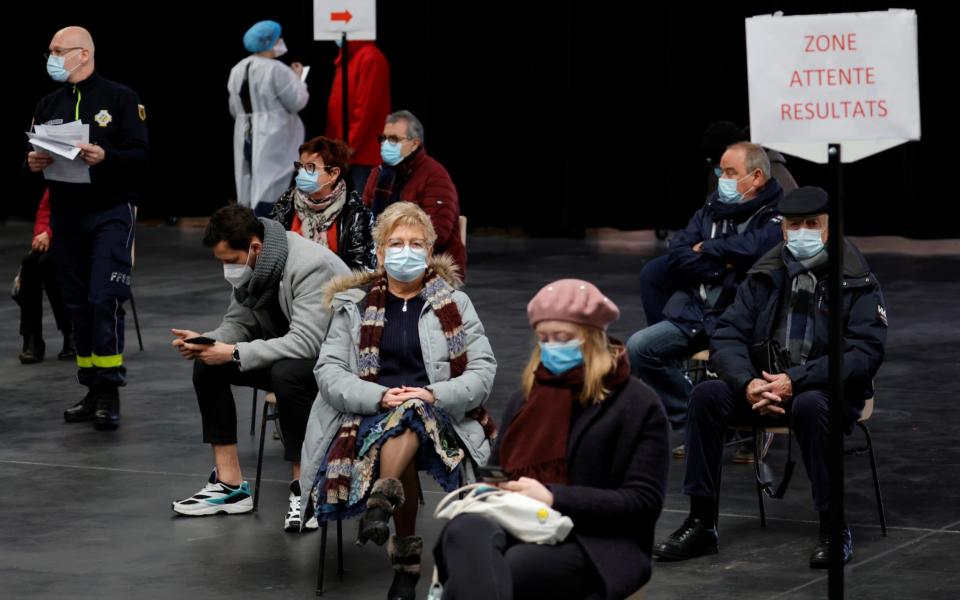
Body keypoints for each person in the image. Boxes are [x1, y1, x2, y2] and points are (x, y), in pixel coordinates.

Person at [653, 187, 888, 568]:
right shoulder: (764, 273)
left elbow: (864, 353)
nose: (802, 232)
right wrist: (747, 382)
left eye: (812, 224)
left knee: (812, 406)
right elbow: (727, 334)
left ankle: (833, 526)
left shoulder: (856, 279)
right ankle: (701, 521)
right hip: (761, 387)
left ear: (830, 228)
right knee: (707, 395)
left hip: (820, 391)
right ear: (783, 230)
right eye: (795, 225)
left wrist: (796, 379)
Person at [299, 202, 496, 599]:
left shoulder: (455, 305)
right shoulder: (352, 306)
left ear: (429, 251)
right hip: (367, 413)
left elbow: (482, 371)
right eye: (396, 243)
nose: (406, 251)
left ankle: (385, 514)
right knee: (402, 418)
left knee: (412, 412)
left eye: (416, 243)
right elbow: (329, 371)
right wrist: (380, 395)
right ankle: (399, 545)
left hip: (440, 414)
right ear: (381, 251)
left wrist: (432, 393)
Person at [433, 279, 669, 599]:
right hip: (519, 520)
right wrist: (493, 486)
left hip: (595, 540)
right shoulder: (527, 398)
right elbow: (495, 468)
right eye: (544, 339)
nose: (552, 346)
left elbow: (642, 503)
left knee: (495, 575)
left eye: (563, 338)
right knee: (463, 529)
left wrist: (552, 497)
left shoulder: (637, 404)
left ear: (593, 338)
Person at [169, 205, 350, 531]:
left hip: (339, 363)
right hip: (292, 356)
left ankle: (306, 488)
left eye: (230, 262)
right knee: (209, 365)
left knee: (287, 374)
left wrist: (234, 352)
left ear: (254, 247)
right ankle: (230, 485)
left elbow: (308, 343)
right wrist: (207, 341)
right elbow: (237, 324)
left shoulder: (310, 265)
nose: (227, 270)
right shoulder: (256, 266)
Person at [27, 26, 149, 431]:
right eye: (50, 51)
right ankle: (91, 387)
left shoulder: (120, 97)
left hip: (110, 212)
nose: (52, 57)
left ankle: (110, 389)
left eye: (59, 51)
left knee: (103, 298)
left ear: (83, 54)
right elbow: (37, 150)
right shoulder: (48, 103)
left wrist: (105, 156)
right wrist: (34, 163)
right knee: (76, 303)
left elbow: (140, 155)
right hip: (67, 215)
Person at [626, 142, 784, 437]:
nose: (722, 179)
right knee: (639, 349)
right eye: (719, 170)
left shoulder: (777, 214)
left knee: (739, 367)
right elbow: (678, 254)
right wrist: (722, 264)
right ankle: (694, 421)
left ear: (757, 177)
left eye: (730, 172)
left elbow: (757, 248)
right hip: (697, 313)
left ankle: (745, 432)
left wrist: (708, 248)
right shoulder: (711, 209)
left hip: (743, 323)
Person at [362, 110, 467, 278]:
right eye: (383, 139)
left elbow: (437, 233)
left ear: (415, 143)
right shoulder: (378, 174)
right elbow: (363, 220)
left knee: (417, 298)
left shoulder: (435, 175)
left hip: (429, 265)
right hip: (382, 261)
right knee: (348, 294)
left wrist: (394, 248)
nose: (385, 144)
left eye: (394, 139)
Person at [228, 20, 309, 216]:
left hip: (245, 132)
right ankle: (266, 232)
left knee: (248, 183)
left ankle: (247, 227)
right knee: (270, 186)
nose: (281, 41)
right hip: (273, 136)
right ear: (269, 41)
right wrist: (298, 80)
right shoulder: (276, 69)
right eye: (278, 38)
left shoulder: (238, 69)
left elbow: (233, 108)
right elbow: (297, 101)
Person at [268, 135, 375, 271]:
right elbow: (271, 257)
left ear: (333, 174)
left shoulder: (355, 213)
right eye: (300, 166)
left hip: (338, 288)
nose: (301, 173)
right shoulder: (285, 204)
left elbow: (361, 270)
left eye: (310, 167)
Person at [14, 188, 74, 363]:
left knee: (49, 262)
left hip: (81, 237)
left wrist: (49, 234)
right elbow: (45, 209)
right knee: (30, 262)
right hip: (55, 237)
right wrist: (41, 234)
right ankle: (32, 338)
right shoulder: (58, 173)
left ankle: (71, 331)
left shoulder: (89, 170)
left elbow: (80, 211)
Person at [325, 39, 391, 195]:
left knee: (364, 207)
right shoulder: (349, 57)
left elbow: (366, 108)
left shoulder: (370, 58)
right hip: (345, 152)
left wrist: (350, 144)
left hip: (363, 154)